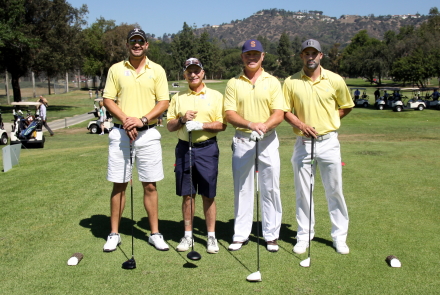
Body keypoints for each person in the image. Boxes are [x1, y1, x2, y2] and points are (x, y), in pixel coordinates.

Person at [283, 39, 354, 255]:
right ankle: (304, 235)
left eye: (314, 53)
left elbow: (346, 106)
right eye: (306, 53)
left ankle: (339, 237)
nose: (310, 57)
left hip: (329, 142)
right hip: (303, 143)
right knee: (303, 192)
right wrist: (301, 124)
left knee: (334, 190)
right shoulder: (291, 82)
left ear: (321, 55)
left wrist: (331, 119)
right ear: (301, 56)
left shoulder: (335, 79)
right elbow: (285, 111)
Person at [102, 28, 170, 252]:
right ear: (128, 44)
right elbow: (108, 100)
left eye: (141, 41)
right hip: (121, 133)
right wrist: (126, 120)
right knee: (119, 184)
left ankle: (155, 233)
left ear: (147, 44)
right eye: (133, 41)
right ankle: (114, 234)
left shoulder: (157, 70)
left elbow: (163, 102)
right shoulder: (116, 69)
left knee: (150, 184)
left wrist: (141, 120)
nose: (137, 45)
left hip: (148, 133)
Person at [224, 39, 284, 253]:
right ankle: (240, 235)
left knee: (270, 187)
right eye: (248, 54)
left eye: (255, 54)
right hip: (242, 139)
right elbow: (229, 113)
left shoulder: (273, 82)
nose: (252, 57)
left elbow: (279, 113)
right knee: (243, 187)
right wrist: (251, 125)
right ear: (242, 56)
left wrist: (264, 127)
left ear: (262, 56)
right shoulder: (234, 83)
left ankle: (271, 235)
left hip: (267, 140)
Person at [167, 58, 226, 254]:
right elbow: (169, 126)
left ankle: (211, 237)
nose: (193, 74)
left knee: (208, 194)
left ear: (203, 73)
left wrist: (202, 125)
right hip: (185, 148)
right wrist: (182, 120)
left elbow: (222, 124)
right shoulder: (178, 97)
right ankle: (188, 235)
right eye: (189, 71)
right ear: (184, 74)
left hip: (207, 149)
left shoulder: (216, 96)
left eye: (196, 71)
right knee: (187, 194)